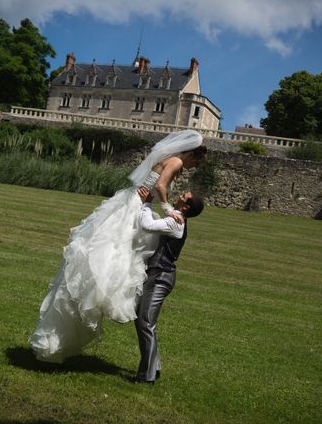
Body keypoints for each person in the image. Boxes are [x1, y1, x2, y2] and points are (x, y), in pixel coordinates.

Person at [30, 129, 207, 363]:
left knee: (117, 253)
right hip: (137, 206)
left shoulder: (169, 159)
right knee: (114, 255)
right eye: (197, 163)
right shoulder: (175, 160)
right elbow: (162, 185)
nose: (194, 168)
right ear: (192, 155)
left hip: (136, 203)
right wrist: (168, 209)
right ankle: (101, 296)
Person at [133, 187, 204, 384]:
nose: (180, 195)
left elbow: (147, 225)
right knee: (146, 321)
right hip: (158, 275)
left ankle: (146, 376)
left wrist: (147, 203)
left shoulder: (176, 222)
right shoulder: (176, 217)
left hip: (160, 277)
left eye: (184, 196)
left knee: (145, 322)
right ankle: (154, 366)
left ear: (186, 206)